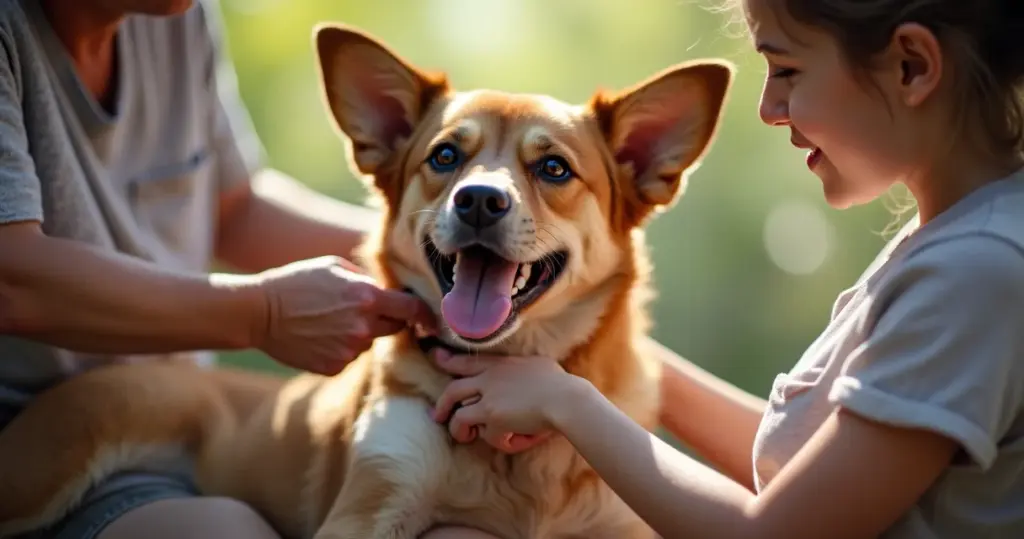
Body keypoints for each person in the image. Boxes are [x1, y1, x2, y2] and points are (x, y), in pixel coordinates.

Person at [430, 0, 1024, 537]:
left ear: (911, 67)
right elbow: (803, 464)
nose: (767, 108)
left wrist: (569, 404)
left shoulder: (977, 271)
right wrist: (591, 367)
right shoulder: (955, 235)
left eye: (786, 69)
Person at [0, 0, 541, 538]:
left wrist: (446, 246)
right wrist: (263, 314)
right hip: (38, 424)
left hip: (179, 413)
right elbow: (10, 280)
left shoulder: (177, 16)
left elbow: (233, 210)